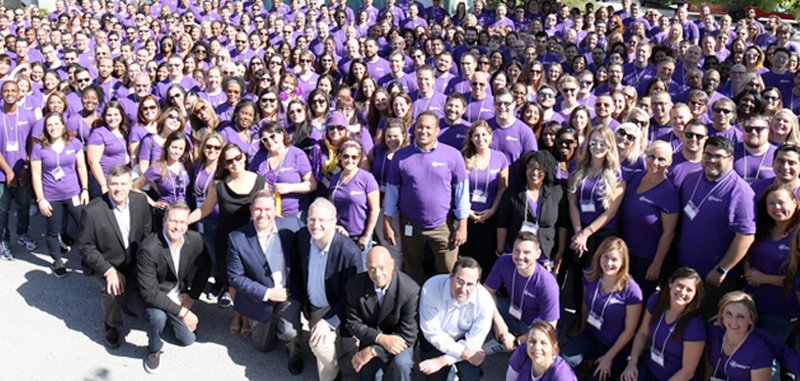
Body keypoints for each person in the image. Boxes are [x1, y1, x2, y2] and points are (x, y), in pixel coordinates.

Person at [383, 111, 469, 284]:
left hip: (443, 226)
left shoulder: (452, 156)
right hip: (410, 225)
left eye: (428, 128)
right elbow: (392, 192)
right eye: (420, 127)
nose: (423, 131)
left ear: (437, 130)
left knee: (448, 270)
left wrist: (462, 225)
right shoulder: (401, 157)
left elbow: (461, 192)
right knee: (412, 269)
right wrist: (387, 223)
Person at [226, 190, 304, 375]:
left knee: (289, 333)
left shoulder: (292, 225)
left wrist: (337, 230)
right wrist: (267, 293)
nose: (262, 214)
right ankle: (271, 324)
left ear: (275, 209)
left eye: (267, 209)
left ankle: (294, 353)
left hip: (288, 294)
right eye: (258, 209)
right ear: (251, 210)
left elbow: (314, 235)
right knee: (263, 347)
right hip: (259, 297)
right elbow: (235, 277)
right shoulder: (237, 238)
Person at [677, 136, 755, 317]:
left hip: (712, 276)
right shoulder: (691, 179)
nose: (712, 160)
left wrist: (722, 268)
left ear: (730, 159)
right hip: (685, 268)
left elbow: (745, 236)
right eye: (708, 155)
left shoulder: (740, 192)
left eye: (718, 156)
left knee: (704, 324)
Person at [78, 165, 153, 349]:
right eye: (114, 184)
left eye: (123, 184)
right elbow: (85, 247)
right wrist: (108, 270)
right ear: (108, 185)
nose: (118, 189)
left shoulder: (141, 202)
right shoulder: (93, 211)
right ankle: (112, 326)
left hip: (132, 261)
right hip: (106, 263)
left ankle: (129, 301)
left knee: (141, 300)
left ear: (130, 185)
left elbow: (148, 235)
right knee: (112, 289)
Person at [137, 202, 211, 374]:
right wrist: (183, 312)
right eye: (173, 221)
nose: (177, 227)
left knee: (188, 340)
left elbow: (206, 267)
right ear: (164, 221)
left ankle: (173, 317)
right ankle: (153, 349)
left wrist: (192, 296)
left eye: (182, 222)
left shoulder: (195, 240)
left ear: (187, 224)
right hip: (156, 295)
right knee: (157, 317)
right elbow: (149, 293)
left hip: (178, 293)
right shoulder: (149, 248)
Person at [561, 237, 643, 381]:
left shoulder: (632, 290)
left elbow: (630, 330)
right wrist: (581, 330)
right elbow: (585, 304)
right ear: (599, 256)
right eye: (605, 257)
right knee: (561, 360)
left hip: (616, 346)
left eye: (614, 259)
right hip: (592, 336)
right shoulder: (591, 275)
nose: (609, 263)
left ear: (623, 262)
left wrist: (608, 357)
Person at [297, 197, 361, 381]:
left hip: (339, 308)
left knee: (320, 343)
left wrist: (329, 322)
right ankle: (335, 375)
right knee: (320, 344)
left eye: (322, 220)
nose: (315, 225)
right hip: (316, 308)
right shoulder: (302, 238)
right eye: (311, 219)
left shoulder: (349, 252)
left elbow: (352, 297)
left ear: (334, 222)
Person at [345, 246, 419, 381]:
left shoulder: (410, 290)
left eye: (382, 267)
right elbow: (353, 323)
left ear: (392, 264)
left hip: (401, 340)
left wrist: (374, 351)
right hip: (372, 337)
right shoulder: (354, 286)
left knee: (402, 364)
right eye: (372, 268)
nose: (377, 274)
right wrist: (380, 339)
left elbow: (409, 333)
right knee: (368, 376)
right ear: (366, 267)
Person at [31, 113, 90, 276]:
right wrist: (41, 199)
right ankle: (56, 260)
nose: (53, 127)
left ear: (63, 125)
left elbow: (81, 167)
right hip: (51, 196)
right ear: (45, 128)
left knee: (84, 227)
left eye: (57, 124)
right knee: (52, 230)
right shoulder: (39, 148)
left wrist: (85, 189)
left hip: (73, 193)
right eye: (50, 125)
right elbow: (36, 175)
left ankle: (87, 258)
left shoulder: (74, 143)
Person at [621, 267, 706, 381]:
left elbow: (688, 372)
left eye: (689, 290)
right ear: (671, 283)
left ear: (695, 294)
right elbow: (642, 333)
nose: (682, 292)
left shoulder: (695, 324)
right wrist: (632, 363)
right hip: (648, 367)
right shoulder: (656, 300)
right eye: (679, 286)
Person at [619, 141, 679, 297]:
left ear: (669, 162)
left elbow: (669, 233)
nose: (655, 162)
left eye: (661, 159)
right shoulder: (635, 177)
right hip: (624, 254)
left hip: (647, 259)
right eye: (651, 156)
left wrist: (656, 264)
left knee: (639, 298)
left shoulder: (669, 193)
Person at [418, 256, 493, 381]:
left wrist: (442, 361)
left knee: (471, 375)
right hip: (436, 341)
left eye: (470, 284)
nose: (463, 289)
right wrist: (462, 353)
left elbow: (474, 343)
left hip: (464, 342)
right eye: (460, 281)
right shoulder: (431, 288)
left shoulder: (485, 302)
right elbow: (431, 332)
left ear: (477, 284)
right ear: (451, 276)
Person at [485, 231, 560, 351]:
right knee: (483, 301)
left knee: (538, 344)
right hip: (513, 310)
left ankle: (513, 344)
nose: (520, 257)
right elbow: (487, 291)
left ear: (537, 254)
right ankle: (501, 338)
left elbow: (550, 325)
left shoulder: (547, 284)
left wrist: (517, 341)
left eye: (526, 252)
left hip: (534, 325)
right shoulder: (504, 262)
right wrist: (498, 323)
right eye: (516, 251)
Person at [743, 185, 800, 342]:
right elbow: (746, 250)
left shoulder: (797, 235)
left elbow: (797, 279)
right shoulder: (762, 227)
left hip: (781, 310)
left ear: (794, 203)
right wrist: (747, 268)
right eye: (771, 203)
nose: (777, 208)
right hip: (752, 304)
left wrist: (764, 278)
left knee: (769, 357)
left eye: (781, 202)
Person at [496, 151, 567, 271]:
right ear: (525, 168)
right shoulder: (512, 192)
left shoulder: (557, 192)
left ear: (546, 171)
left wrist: (560, 251)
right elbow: (502, 223)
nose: (535, 172)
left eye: (540, 169)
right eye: (531, 167)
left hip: (546, 253)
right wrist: (500, 251)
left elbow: (562, 224)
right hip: (518, 254)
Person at [461, 121, 509, 276]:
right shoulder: (464, 158)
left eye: (484, 135)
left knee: (486, 256)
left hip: (490, 215)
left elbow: (502, 187)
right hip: (467, 215)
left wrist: (493, 209)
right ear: (471, 138)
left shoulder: (500, 158)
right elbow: (458, 188)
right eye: (476, 135)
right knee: (467, 256)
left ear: (490, 136)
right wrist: (467, 210)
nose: (480, 138)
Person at [328, 139, 379, 268]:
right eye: (345, 156)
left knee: (359, 273)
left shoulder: (367, 178)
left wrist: (366, 235)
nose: (349, 160)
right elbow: (331, 207)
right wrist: (335, 225)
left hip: (359, 237)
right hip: (339, 236)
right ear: (339, 157)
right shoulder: (335, 179)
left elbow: (375, 209)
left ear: (359, 158)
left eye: (354, 157)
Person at [704, 291, 773, 381]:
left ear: (751, 320)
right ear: (721, 315)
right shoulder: (714, 331)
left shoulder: (760, 351)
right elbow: (709, 364)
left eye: (740, 316)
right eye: (729, 314)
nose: (734, 322)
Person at [506, 321, 578, 381]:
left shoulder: (562, 376)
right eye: (532, 341)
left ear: (553, 347)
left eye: (543, 343)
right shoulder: (522, 352)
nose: (537, 347)